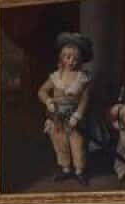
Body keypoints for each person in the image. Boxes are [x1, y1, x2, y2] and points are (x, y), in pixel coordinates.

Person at [37, 32, 93, 184]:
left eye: (75, 58)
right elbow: (41, 91)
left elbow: (84, 99)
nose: (71, 61)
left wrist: (77, 116)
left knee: (77, 143)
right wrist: (48, 101)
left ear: (80, 60)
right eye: (68, 57)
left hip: (74, 117)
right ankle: (66, 169)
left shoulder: (82, 78)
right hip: (56, 117)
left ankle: (80, 171)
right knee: (60, 143)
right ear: (62, 58)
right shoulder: (55, 76)